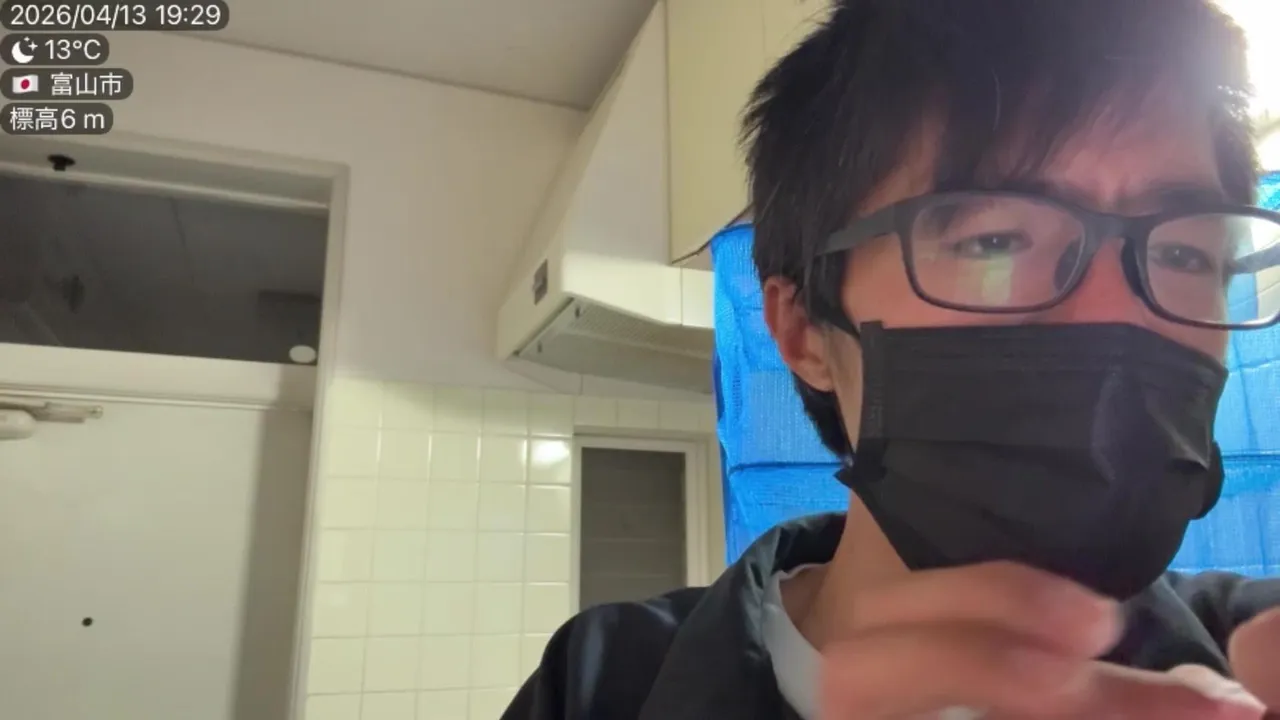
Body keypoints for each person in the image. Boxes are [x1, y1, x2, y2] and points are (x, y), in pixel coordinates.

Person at [502, 1, 1280, 717]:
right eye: (994, 241)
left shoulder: (1258, 654)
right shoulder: (598, 687)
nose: (1120, 311)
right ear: (805, 330)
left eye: (1184, 253)